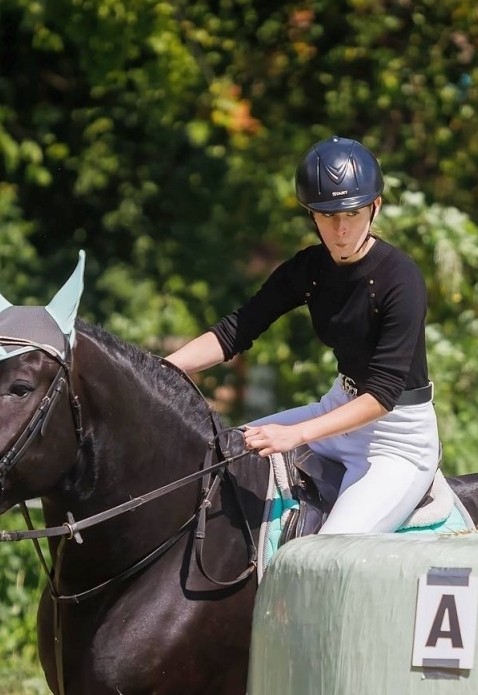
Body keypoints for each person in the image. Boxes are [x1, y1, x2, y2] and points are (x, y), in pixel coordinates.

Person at [166, 136, 439, 534]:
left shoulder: (402, 279)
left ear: (375, 206)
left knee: (330, 550)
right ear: (312, 215)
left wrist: (295, 435)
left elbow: (381, 396)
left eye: (353, 213)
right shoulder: (309, 268)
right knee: (220, 458)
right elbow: (235, 331)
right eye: (328, 216)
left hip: (396, 438)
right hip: (336, 408)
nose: (341, 230)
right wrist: (160, 369)